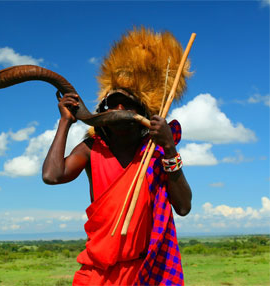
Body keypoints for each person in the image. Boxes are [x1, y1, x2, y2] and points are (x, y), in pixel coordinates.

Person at [42, 27, 192, 285]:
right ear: (103, 113)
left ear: (143, 113)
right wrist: (65, 122)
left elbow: (183, 207)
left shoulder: (154, 152)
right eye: (113, 104)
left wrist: (169, 148)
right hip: (95, 272)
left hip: (142, 273)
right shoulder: (92, 148)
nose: (119, 109)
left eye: (127, 103)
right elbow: (52, 175)